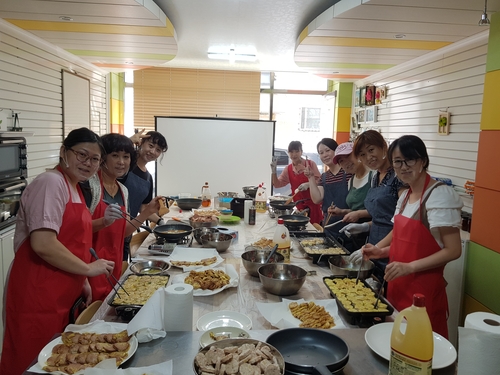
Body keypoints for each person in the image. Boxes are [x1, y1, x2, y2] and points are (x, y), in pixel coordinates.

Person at [0, 128, 116, 375]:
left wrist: (82, 279)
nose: (88, 163)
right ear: (64, 152)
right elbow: (43, 243)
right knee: (33, 362)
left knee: (59, 362)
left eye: (95, 159)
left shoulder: (73, 186)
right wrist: (87, 269)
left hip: (63, 290)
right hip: (38, 292)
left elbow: (73, 240)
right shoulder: (51, 183)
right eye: (82, 155)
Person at [360, 135, 462, 338]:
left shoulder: (439, 195)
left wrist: (410, 267)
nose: (403, 167)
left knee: (418, 350)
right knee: (397, 343)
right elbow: (403, 242)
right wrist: (381, 251)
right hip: (397, 286)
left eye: (410, 160)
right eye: (398, 162)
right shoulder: (405, 196)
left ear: (423, 161)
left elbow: (453, 250)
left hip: (423, 292)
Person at [88, 133, 162, 302]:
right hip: (90, 263)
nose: (121, 162)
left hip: (113, 258)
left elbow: (124, 231)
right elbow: (78, 230)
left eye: (126, 157)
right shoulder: (90, 185)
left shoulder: (123, 190)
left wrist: (146, 212)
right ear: (103, 158)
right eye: (115, 156)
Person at [343, 130, 406, 280]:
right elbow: (383, 216)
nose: (368, 157)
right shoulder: (375, 177)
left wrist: (378, 248)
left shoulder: (398, 177)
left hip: (393, 249)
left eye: (371, 150)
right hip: (374, 246)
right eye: (363, 155)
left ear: (383, 146)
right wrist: (365, 226)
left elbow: (403, 223)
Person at [120, 130, 168, 260]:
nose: (153, 152)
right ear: (141, 143)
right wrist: (128, 142)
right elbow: (107, 156)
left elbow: (143, 208)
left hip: (127, 232)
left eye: (158, 150)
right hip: (111, 228)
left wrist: (160, 221)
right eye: (151, 146)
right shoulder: (125, 165)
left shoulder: (148, 178)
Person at [305, 138, 352, 247]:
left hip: (348, 228)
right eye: (321, 153)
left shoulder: (348, 173)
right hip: (329, 228)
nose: (324, 155)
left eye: (327, 150)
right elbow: (317, 199)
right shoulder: (324, 177)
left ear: (336, 151)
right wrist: (311, 178)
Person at [330, 142, 372, 248]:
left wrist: (358, 214)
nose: (346, 162)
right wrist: (342, 212)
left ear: (358, 155)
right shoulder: (351, 181)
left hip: (372, 235)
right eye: (341, 161)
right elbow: (356, 209)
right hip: (356, 236)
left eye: (348, 156)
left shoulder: (374, 176)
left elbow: (380, 211)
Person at [271, 141, 323, 224]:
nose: (294, 155)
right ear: (288, 153)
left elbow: (320, 182)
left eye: (297, 151)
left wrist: (308, 184)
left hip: (314, 205)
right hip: (299, 206)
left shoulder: (310, 164)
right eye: (291, 152)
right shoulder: (288, 169)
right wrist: (273, 171)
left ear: (301, 152)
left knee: (314, 228)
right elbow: (277, 184)